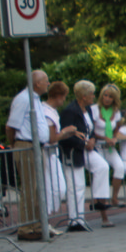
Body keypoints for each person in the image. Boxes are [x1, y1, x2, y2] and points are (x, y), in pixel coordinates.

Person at [58, 80, 113, 231]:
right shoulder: (70, 111)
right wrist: (83, 144)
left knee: (102, 166)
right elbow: (66, 136)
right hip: (74, 151)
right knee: (77, 186)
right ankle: (75, 220)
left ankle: (98, 200)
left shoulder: (87, 109)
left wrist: (93, 139)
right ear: (84, 96)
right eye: (92, 94)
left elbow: (90, 128)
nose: (94, 96)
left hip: (87, 148)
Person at [4, 69, 50, 241]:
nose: (48, 84)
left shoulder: (35, 99)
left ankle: (36, 224)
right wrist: (13, 144)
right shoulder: (24, 99)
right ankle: (26, 227)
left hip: (36, 147)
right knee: (30, 188)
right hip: (26, 146)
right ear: (37, 83)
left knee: (37, 188)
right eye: (46, 80)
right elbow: (11, 126)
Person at [42, 81, 72, 217]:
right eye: (64, 96)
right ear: (59, 96)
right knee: (54, 188)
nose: (64, 100)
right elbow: (52, 138)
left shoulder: (50, 110)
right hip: (48, 153)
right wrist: (66, 132)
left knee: (56, 188)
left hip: (52, 153)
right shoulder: (47, 112)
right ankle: (46, 216)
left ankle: (47, 216)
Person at [95, 83, 126, 207]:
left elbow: (117, 128)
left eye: (110, 97)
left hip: (109, 147)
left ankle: (114, 198)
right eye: (105, 95)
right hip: (98, 145)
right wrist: (105, 138)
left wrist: (114, 138)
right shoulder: (95, 109)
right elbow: (91, 130)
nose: (107, 99)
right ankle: (100, 201)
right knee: (103, 169)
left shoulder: (116, 112)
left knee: (120, 167)